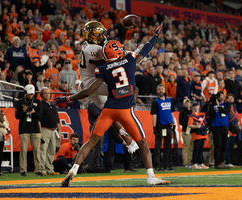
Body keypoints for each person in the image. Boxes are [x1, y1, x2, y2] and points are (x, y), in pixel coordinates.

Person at [57, 23, 170, 186]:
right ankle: (147, 168)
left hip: (101, 98)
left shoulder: (100, 64)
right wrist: (151, 38)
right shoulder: (122, 59)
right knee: (133, 92)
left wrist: (68, 98)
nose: (104, 37)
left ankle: (74, 169)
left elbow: (106, 61)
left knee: (91, 140)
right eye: (101, 35)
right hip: (111, 99)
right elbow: (134, 53)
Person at [71, 21, 138, 153]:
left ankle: (129, 142)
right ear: (92, 36)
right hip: (93, 84)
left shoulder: (90, 45)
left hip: (91, 83)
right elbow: (113, 58)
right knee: (133, 88)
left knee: (110, 113)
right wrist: (132, 54)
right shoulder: (93, 49)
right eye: (99, 34)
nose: (102, 36)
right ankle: (129, 115)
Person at [15, 84, 43, 177]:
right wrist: (23, 111)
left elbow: (41, 116)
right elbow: (17, 116)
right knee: (23, 151)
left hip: (35, 129)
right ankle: (22, 171)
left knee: (37, 150)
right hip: (24, 129)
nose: (30, 96)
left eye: (32, 94)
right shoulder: (19, 102)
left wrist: (34, 112)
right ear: (25, 93)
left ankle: (38, 170)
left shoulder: (38, 102)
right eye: (28, 94)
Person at [151, 84, 175, 171]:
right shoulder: (155, 102)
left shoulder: (169, 101)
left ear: (164, 91)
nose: (160, 91)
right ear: (157, 91)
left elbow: (171, 112)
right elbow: (154, 115)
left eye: (162, 89)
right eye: (159, 89)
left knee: (167, 147)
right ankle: (157, 166)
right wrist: (154, 127)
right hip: (159, 126)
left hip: (168, 126)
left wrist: (174, 123)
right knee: (158, 147)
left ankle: (166, 165)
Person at [208, 91, 231, 169]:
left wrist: (218, 106)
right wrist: (210, 105)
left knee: (224, 146)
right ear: (217, 97)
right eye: (220, 96)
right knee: (218, 145)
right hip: (216, 127)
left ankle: (222, 161)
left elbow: (226, 111)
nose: (222, 97)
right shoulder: (213, 105)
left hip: (224, 127)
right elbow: (210, 114)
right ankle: (217, 163)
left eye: (222, 95)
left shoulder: (226, 104)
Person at [40, 87, 61, 175]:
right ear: (42, 95)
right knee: (43, 150)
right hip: (44, 129)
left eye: (48, 93)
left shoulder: (53, 105)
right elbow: (39, 119)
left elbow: (57, 119)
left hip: (53, 130)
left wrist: (59, 130)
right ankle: (42, 169)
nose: (47, 95)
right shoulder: (40, 105)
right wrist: (40, 131)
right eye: (45, 93)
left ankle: (50, 169)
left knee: (52, 150)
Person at [187, 101, 209, 170]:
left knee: (201, 149)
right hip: (196, 134)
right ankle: (194, 163)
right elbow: (189, 125)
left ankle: (200, 162)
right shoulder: (192, 116)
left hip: (202, 134)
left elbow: (205, 125)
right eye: (194, 106)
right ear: (192, 107)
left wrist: (206, 134)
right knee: (196, 149)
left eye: (197, 106)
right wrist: (196, 126)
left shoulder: (202, 115)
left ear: (199, 107)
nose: (196, 107)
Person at [224, 93, 240, 168]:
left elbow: (237, 119)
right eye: (229, 98)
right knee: (226, 147)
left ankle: (228, 162)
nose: (231, 99)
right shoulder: (225, 108)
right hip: (228, 130)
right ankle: (224, 161)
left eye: (232, 98)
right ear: (226, 99)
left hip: (233, 131)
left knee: (230, 147)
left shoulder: (235, 109)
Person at [179, 98, 193, 168]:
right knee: (186, 146)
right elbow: (181, 122)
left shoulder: (192, 112)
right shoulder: (182, 112)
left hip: (192, 131)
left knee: (191, 147)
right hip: (186, 131)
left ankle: (189, 161)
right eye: (186, 103)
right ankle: (185, 162)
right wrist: (189, 125)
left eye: (188, 102)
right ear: (184, 104)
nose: (187, 104)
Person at [0, 110, 9, 174]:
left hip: (0, 134)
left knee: (0, 152)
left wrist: (2, 125)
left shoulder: (2, 113)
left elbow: (7, 123)